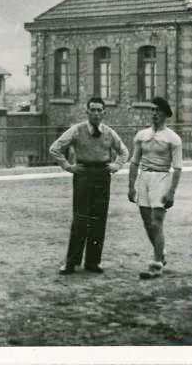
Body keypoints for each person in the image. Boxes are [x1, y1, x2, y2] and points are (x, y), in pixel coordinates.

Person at [49, 97, 129, 275]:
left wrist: (116, 165)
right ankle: (71, 262)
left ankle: (93, 262)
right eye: (92, 110)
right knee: (80, 220)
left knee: (99, 219)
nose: (96, 113)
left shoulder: (109, 133)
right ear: (87, 112)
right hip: (83, 175)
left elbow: (124, 151)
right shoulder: (76, 130)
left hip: (102, 176)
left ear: (104, 113)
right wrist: (69, 167)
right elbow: (55, 148)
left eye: (99, 110)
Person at [128, 96, 182, 279]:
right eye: (152, 110)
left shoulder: (173, 139)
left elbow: (177, 168)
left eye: (158, 111)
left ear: (166, 114)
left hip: (162, 178)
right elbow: (134, 162)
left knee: (156, 222)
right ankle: (161, 254)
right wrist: (131, 186)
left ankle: (156, 264)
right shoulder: (141, 136)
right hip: (144, 178)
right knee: (146, 222)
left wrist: (172, 192)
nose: (154, 114)